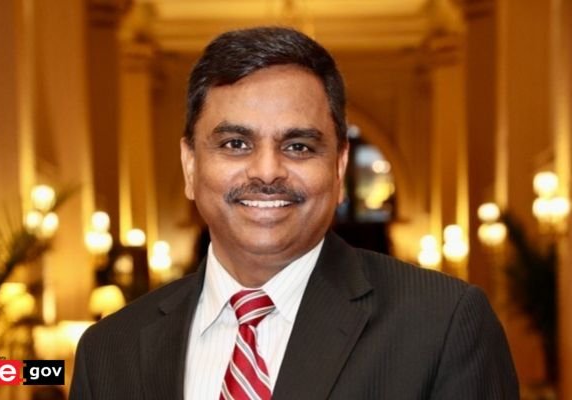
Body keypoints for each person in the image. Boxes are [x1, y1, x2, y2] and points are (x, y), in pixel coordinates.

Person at [70, 26, 519, 399]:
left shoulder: (442, 325)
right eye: (235, 144)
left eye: (299, 146)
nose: (267, 171)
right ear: (190, 166)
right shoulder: (109, 351)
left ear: (339, 167)